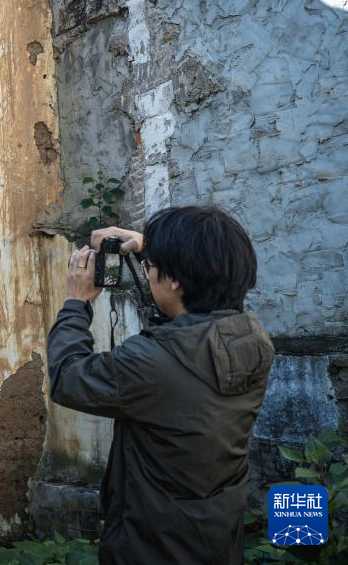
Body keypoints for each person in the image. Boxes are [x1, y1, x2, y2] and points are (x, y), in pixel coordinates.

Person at [47, 206, 275, 564]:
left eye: (153, 267)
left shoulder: (150, 362)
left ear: (175, 281)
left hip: (152, 545)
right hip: (215, 535)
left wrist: (76, 303)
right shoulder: (253, 340)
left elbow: (67, 377)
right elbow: (182, 325)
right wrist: (151, 251)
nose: (149, 271)